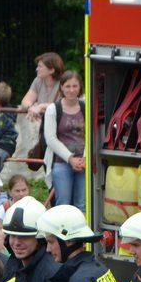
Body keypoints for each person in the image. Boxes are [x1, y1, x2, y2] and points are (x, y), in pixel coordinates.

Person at [44, 71, 86, 211]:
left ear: (80, 87)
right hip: (61, 162)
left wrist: (84, 158)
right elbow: (50, 138)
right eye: (67, 86)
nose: (71, 90)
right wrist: (70, 159)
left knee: (82, 204)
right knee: (63, 204)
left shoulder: (86, 107)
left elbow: (92, 134)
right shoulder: (53, 109)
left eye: (75, 86)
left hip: (84, 162)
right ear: (61, 87)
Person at [20, 52, 64, 122]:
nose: (37, 69)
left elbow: (64, 105)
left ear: (51, 70)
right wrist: (31, 108)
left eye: (40, 66)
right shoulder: (38, 80)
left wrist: (41, 107)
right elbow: (25, 101)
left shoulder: (64, 83)